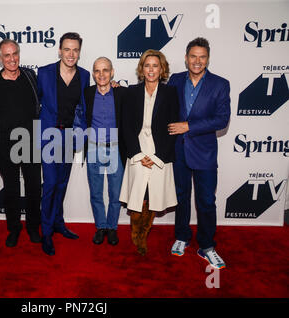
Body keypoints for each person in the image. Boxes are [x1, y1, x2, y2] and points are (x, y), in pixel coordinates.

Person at [168, 37, 230, 269]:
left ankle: (207, 246)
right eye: (193, 56)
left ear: (207, 59)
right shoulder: (174, 80)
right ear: (186, 58)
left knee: (206, 201)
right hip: (178, 151)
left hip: (204, 153)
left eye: (201, 57)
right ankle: (182, 237)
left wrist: (189, 126)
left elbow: (222, 119)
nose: (197, 61)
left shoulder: (220, 84)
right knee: (181, 198)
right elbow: (152, 93)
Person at [119, 49, 179, 256]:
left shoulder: (171, 93)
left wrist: (155, 156)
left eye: (155, 65)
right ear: (141, 69)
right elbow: (125, 126)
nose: (151, 69)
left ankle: (143, 235)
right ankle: (136, 230)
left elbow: (173, 128)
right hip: (137, 152)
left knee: (153, 197)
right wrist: (137, 154)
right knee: (137, 197)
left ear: (162, 69)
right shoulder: (131, 92)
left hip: (159, 153)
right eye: (147, 65)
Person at [37, 32, 90, 255]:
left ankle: (58, 222)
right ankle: (46, 232)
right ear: (60, 50)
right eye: (67, 49)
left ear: (79, 52)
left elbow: (89, 102)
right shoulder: (44, 73)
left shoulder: (85, 76)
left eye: (75, 50)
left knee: (62, 183)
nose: (71, 54)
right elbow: (33, 101)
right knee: (49, 184)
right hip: (49, 136)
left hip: (71, 137)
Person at [0, 39, 42, 247]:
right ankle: (14, 228)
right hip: (6, 145)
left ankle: (32, 227)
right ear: (0, 58)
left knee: (33, 188)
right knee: (10, 189)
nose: (12, 59)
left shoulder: (31, 76)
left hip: (30, 142)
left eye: (15, 54)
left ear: (19, 55)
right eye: (7, 55)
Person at [84, 57, 127, 245]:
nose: (101, 75)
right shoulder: (86, 93)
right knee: (96, 192)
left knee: (116, 194)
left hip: (116, 149)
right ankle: (100, 227)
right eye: (97, 70)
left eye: (105, 70)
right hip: (94, 149)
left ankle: (112, 228)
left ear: (112, 72)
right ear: (93, 73)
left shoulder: (122, 94)